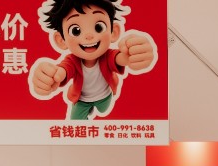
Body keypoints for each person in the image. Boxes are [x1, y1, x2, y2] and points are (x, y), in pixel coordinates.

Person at [27, 0, 158, 120]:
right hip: (82, 100)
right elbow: (63, 70)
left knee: (104, 111)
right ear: (61, 40)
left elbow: (120, 58)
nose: (89, 36)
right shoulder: (72, 60)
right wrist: (50, 76)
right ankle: (87, 110)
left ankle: (96, 109)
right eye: (76, 31)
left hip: (105, 97)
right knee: (76, 122)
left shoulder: (107, 56)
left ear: (114, 32)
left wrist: (133, 54)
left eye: (99, 27)